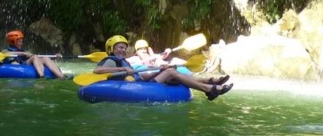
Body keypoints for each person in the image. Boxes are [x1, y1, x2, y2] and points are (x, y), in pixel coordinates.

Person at [94, 35, 232, 101]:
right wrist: (123, 70)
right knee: (171, 72)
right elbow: (97, 71)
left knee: (171, 73)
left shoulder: (123, 61)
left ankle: (209, 83)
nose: (123, 50)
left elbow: (140, 76)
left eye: (124, 48)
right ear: (111, 49)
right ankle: (208, 89)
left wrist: (159, 71)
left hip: (142, 83)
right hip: (139, 87)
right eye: (120, 47)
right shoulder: (111, 60)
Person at [3, 30, 67, 79]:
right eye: (19, 42)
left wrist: (54, 57)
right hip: (19, 64)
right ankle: (42, 76)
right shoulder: (6, 50)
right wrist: (23, 53)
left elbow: (36, 57)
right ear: (12, 42)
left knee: (45, 58)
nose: (21, 43)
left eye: (21, 41)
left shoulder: (24, 51)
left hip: (26, 63)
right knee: (35, 57)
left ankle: (61, 76)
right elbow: (6, 54)